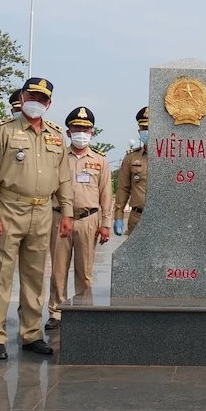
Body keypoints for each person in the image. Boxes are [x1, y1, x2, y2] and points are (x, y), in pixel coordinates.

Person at [0, 76, 74, 361]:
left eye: (43, 99)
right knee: (0, 276)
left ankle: (31, 333)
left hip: (43, 211)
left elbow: (64, 178)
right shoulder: (4, 131)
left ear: (50, 103)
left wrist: (67, 212)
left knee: (35, 277)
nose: (37, 102)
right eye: (32, 96)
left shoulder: (56, 135)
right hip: (10, 208)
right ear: (22, 97)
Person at [45, 106, 113, 330]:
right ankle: (56, 313)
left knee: (84, 271)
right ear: (68, 132)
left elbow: (106, 195)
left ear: (92, 132)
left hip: (88, 220)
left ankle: (83, 309)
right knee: (58, 269)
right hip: (59, 218)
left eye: (85, 129)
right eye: (76, 128)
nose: (81, 132)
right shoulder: (57, 156)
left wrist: (105, 224)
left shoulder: (100, 161)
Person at [114, 107, 149, 236]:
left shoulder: (170, 158)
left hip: (164, 218)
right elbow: (123, 188)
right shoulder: (131, 158)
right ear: (139, 131)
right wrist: (118, 216)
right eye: (144, 129)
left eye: (150, 128)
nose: (147, 132)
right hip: (137, 217)